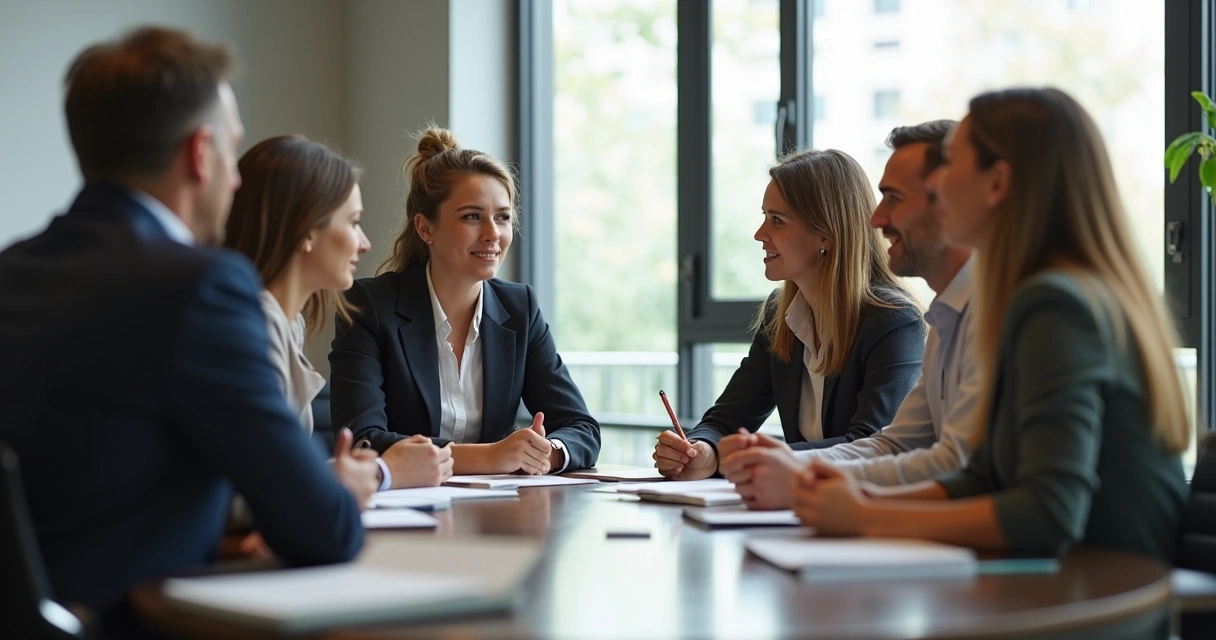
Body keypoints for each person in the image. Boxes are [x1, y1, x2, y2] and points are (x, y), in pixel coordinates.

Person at [0, 28, 375, 630]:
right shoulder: (201, 286)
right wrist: (349, 491)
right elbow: (322, 528)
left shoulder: (12, 269)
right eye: (232, 149)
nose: (236, 180)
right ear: (201, 154)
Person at [791, 87, 1190, 563]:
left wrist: (866, 518)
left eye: (952, 164)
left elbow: (1048, 512)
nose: (937, 185)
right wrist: (855, 502)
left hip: (1104, 597)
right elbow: (980, 478)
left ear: (997, 183)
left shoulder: (1055, 304)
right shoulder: (1035, 295)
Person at [718, 121, 980, 509]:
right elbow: (896, 444)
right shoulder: (947, 315)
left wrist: (795, 470)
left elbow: (942, 461)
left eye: (777, 220)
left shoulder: (900, 319)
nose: (876, 218)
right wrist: (709, 450)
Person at [330, 127, 600, 476]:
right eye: (472, 216)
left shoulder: (520, 309)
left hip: (493, 512)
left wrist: (547, 453)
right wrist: (490, 457)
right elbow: (363, 441)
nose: (493, 233)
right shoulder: (370, 305)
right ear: (425, 229)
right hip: (400, 510)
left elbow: (581, 427)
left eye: (502, 217)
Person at [653, 149, 926, 480]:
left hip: (868, 515)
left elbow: (871, 445)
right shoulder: (778, 316)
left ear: (825, 233)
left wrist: (743, 458)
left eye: (777, 220)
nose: (759, 233)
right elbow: (726, 420)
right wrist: (701, 451)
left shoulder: (893, 321)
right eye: (764, 216)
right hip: (803, 513)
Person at [226, 135, 453, 490]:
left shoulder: (286, 323)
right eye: (353, 222)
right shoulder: (256, 325)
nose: (364, 243)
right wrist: (384, 472)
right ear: (306, 229)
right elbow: (268, 484)